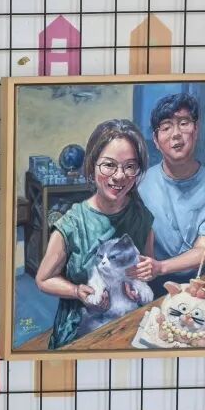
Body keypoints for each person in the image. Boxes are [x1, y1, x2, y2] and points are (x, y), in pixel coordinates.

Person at [35, 119, 155, 349]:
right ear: (91, 167)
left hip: (129, 324)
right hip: (81, 330)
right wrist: (76, 291)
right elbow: (43, 279)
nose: (119, 176)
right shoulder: (72, 223)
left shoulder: (141, 217)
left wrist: (139, 282)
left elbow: (146, 270)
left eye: (130, 166)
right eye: (109, 165)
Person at [133, 93, 205, 297]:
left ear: (196, 129)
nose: (176, 134)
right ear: (156, 140)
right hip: (157, 286)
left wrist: (160, 267)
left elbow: (204, 250)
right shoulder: (139, 185)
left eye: (184, 123)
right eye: (166, 127)